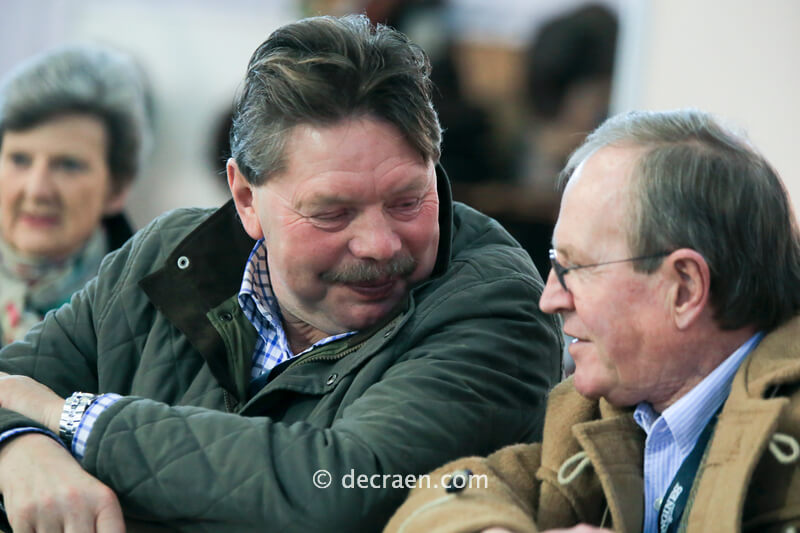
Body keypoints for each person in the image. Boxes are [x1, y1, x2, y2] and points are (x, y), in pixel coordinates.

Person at [0, 15, 562, 532]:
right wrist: (21, 446)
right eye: (333, 213)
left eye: (408, 201)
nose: (379, 243)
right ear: (246, 198)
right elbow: (9, 383)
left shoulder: (496, 307)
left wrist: (71, 419)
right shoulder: (170, 255)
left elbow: (342, 489)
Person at [385, 108, 800, 533]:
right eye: (554, 263)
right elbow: (451, 490)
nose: (550, 298)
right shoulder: (597, 411)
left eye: (575, 267)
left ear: (684, 288)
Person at [0, 44, 149, 346]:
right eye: (20, 160)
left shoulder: (155, 316)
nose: (37, 190)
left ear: (117, 188)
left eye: (68, 165)